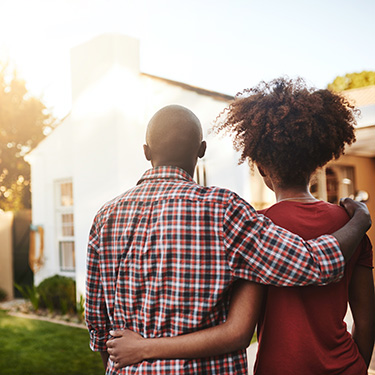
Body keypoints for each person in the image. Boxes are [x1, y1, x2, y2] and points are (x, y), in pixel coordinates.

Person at [106, 80, 375, 374]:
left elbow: (238, 329)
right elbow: (365, 319)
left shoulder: (256, 225)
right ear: (317, 163)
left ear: (260, 168)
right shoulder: (349, 227)